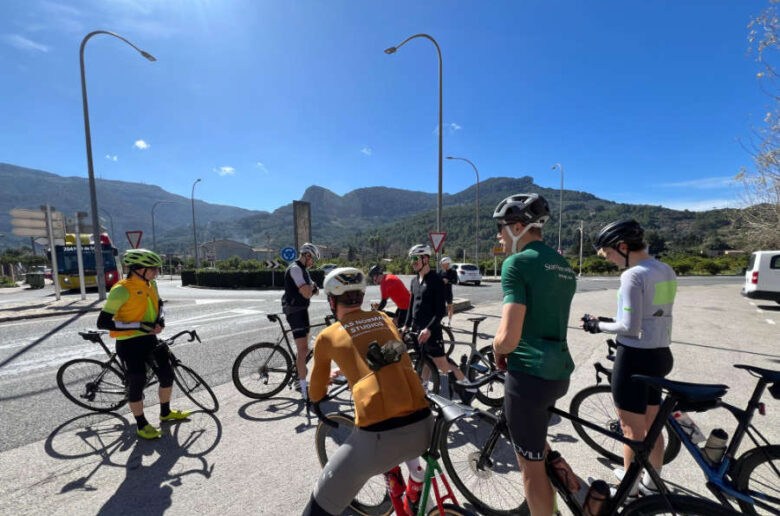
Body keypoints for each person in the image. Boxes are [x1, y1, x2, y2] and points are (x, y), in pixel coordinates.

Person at [303, 267, 434, 516]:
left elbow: (316, 393)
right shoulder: (384, 318)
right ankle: (411, 499)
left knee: (316, 509)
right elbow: (387, 356)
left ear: (332, 301)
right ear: (361, 297)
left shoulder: (327, 336)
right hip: (424, 426)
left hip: (379, 437)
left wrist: (318, 396)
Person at [490, 194, 577, 516]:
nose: (499, 236)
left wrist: (497, 350)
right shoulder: (563, 264)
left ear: (517, 227)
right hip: (559, 370)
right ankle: (570, 486)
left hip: (528, 374)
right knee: (538, 442)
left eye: (501, 228)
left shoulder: (518, 263)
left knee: (530, 469)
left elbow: (508, 337)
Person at [582, 218, 676, 498]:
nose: (610, 260)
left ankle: (629, 490)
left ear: (623, 247)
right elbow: (653, 316)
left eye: (609, 253)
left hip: (634, 358)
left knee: (631, 430)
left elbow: (629, 328)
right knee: (652, 424)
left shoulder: (633, 275)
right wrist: (614, 320)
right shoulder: (666, 269)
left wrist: (596, 325)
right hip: (660, 354)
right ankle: (650, 482)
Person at [96, 249, 190, 440]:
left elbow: (159, 305)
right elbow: (103, 322)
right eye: (153, 268)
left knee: (167, 375)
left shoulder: (151, 283)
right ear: (139, 269)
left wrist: (160, 321)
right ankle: (141, 424)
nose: (156, 272)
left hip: (150, 340)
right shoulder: (121, 290)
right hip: (129, 343)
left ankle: (165, 412)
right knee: (137, 382)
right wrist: (140, 325)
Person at [401, 244, 474, 404]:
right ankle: (425, 390)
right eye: (411, 259)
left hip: (431, 330)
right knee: (426, 360)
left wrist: (428, 329)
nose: (412, 262)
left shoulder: (436, 281)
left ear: (425, 259)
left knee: (442, 365)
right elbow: (411, 306)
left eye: (415, 259)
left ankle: (469, 386)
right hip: (418, 330)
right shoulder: (414, 281)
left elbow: (440, 311)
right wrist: (406, 325)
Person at [281, 242, 320, 401]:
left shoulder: (304, 270)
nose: (313, 263)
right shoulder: (296, 269)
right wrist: (312, 287)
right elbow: (306, 292)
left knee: (305, 348)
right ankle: (302, 387)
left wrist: (311, 288)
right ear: (307, 255)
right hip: (295, 312)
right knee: (303, 350)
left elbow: (313, 292)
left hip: (302, 311)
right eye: (313, 260)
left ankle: (299, 372)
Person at [439, 257, 458, 326]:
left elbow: (455, 281)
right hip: (441, 293)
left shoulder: (453, 271)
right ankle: (440, 321)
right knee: (440, 307)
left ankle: (449, 322)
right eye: (441, 264)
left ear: (447, 264)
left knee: (450, 307)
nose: (442, 265)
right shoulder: (441, 271)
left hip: (448, 292)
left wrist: (448, 281)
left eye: (443, 264)